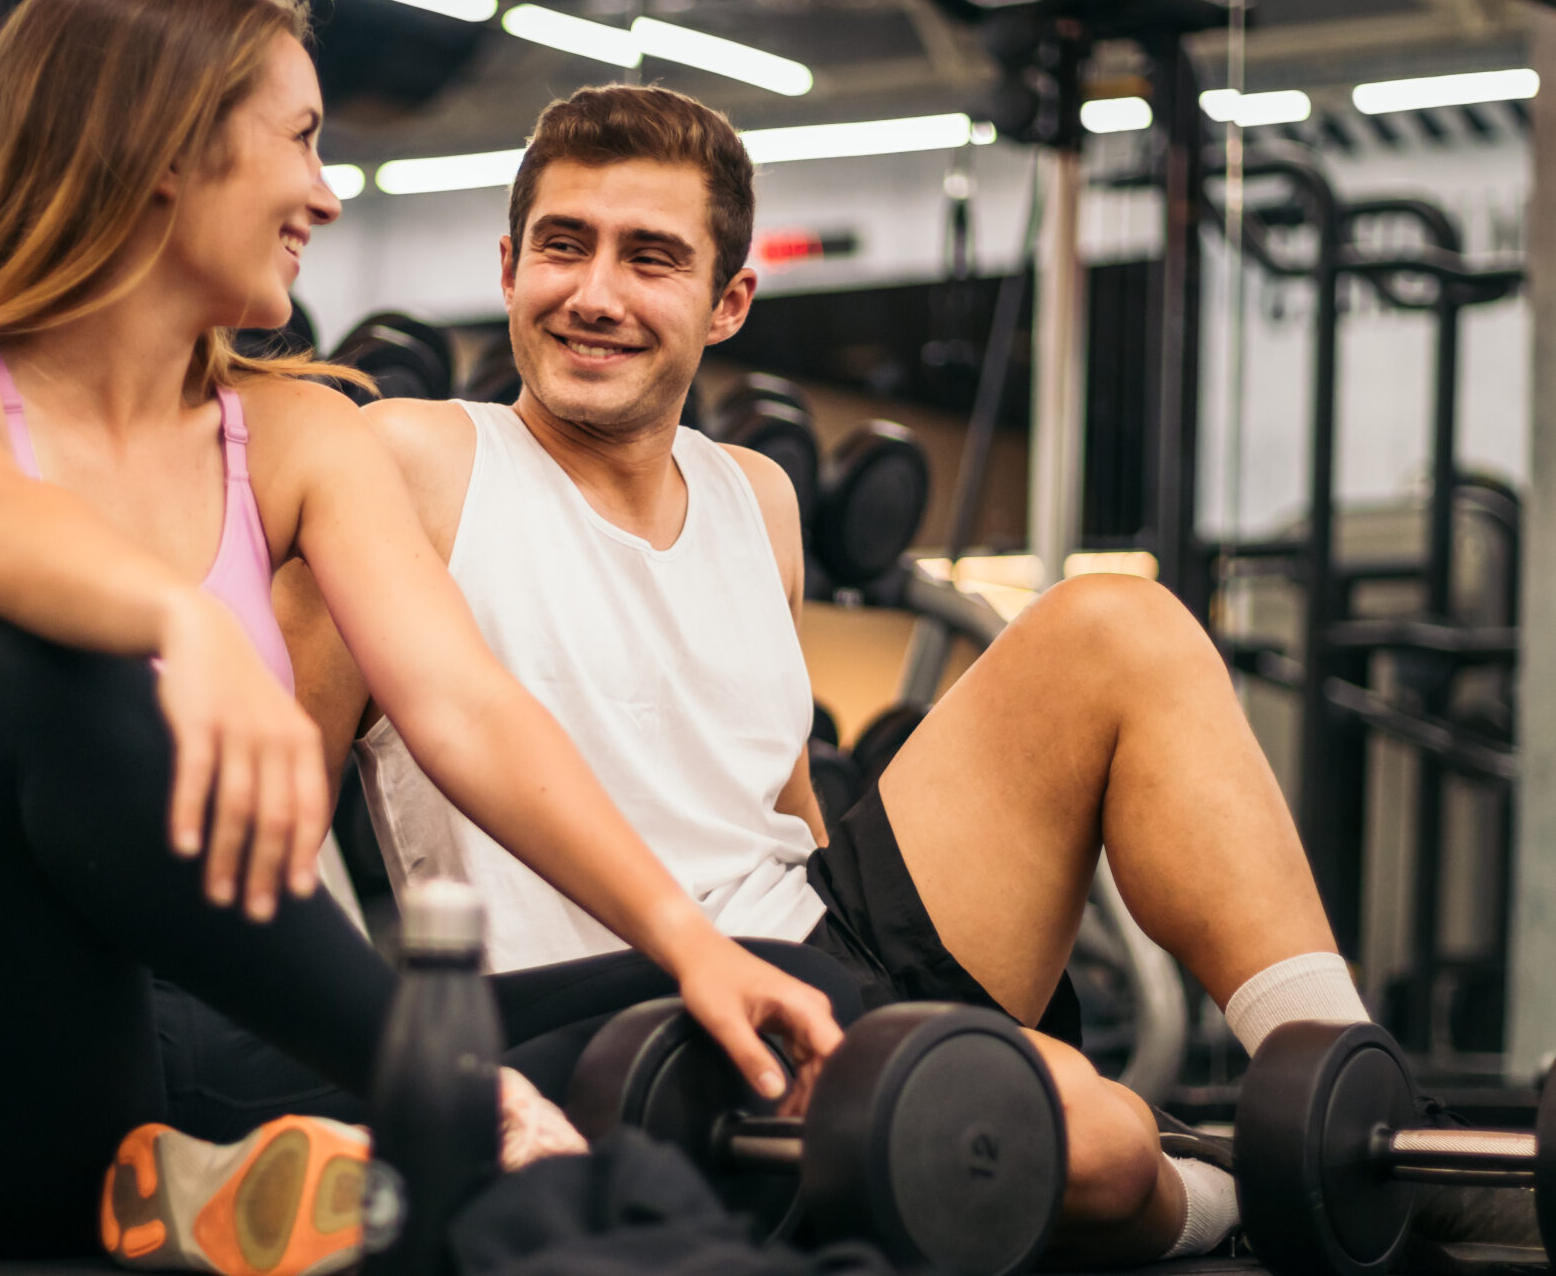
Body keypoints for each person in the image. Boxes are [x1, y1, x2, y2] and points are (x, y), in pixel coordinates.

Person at [0, 0, 848, 1273]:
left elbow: (464, 706)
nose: (326, 192)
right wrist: (172, 628)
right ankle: (438, 1114)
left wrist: (692, 942)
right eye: (300, 141)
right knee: (51, 667)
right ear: (169, 152)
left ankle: (259, 1181)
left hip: (230, 1033)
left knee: (743, 985)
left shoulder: (299, 433)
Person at [273, 83, 1390, 1267]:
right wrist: (402, 1071)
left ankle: (1348, 1103)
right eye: (563, 246)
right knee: (1098, 1142)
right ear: (507, 267)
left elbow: (779, 790)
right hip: (626, 1028)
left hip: (814, 938)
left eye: (650, 258)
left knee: (1121, 622)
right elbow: (269, 833)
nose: (593, 295)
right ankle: (1233, 1198)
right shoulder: (409, 465)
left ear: (727, 302)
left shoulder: (759, 495)